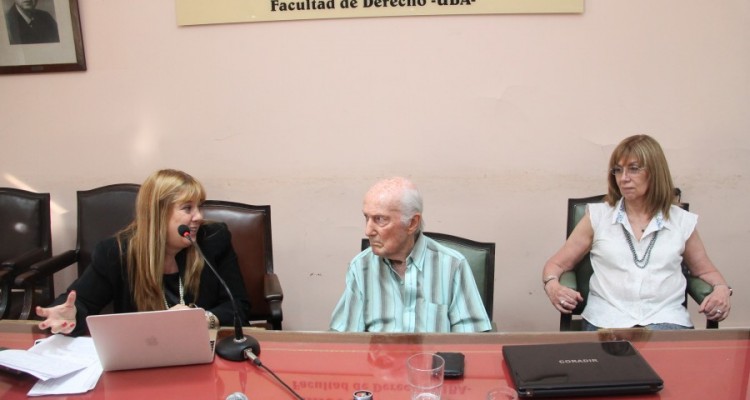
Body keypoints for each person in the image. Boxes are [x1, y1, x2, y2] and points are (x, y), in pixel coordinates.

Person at [542, 134, 732, 330]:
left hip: (665, 320)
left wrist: (721, 289)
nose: (623, 178)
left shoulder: (680, 221)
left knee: (663, 359)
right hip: (607, 321)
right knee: (618, 358)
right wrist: (553, 286)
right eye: (618, 170)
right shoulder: (598, 217)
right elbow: (556, 264)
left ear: (655, 173)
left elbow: (706, 271)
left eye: (633, 169)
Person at [37, 169, 250, 336]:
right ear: (158, 214)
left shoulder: (213, 240)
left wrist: (202, 318)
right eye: (187, 208)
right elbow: (79, 302)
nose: (199, 217)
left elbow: (238, 306)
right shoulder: (116, 253)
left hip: (203, 348)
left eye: (199, 207)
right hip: (142, 352)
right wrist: (68, 315)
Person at [330, 177, 492, 333]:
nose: (368, 231)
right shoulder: (360, 267)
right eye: (367, 218)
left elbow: (471, 340)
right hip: (380, 360)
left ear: (412, 223)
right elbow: (346, 340)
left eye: (380, 219)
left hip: (434, 359)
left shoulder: (452, 265)